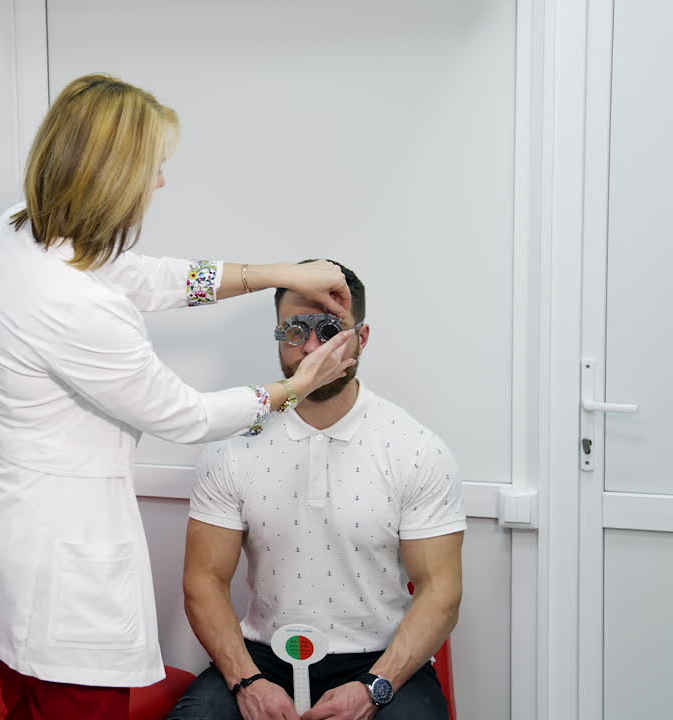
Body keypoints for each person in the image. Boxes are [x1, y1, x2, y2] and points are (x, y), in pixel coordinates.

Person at [0, 74, 360, 720]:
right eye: (155, 169)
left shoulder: (14, 235)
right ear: (112, 178)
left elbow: (150, 277)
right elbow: (185, 415)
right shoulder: (72, 304)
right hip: (59, 580)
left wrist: (276, 274)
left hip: (3, 547)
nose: (160, 183)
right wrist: (292, 388)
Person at [172, 261, 465, 720]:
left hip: (378, 659)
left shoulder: (416, 450)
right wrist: (246, 681)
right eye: (294, 330)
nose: (311, 348)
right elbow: (204, 581)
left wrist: (375, 688)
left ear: (361, 339)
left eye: (330, 330)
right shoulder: (232, 449)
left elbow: (441, 592)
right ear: (277, 334)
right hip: (262, 657)